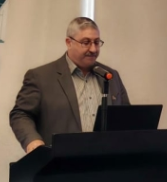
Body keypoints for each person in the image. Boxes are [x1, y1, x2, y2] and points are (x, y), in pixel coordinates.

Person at [10, 17, 130, 152]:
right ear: (69, 42)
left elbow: (126, 117)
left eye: (97, 42)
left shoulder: (110, 76)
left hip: (106, 159)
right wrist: (32, 141)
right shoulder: (41, 77)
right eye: (86, 42)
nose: (93, 49)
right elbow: (21, 114)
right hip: (60, 159)